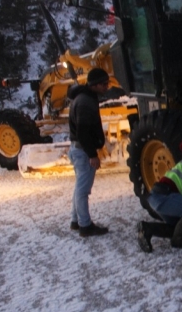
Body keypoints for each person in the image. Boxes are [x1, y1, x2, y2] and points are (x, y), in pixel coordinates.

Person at [67, 68, 110, 237]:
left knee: (79, 188)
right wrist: (92, 154)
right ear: (95, 85)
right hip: (83, 152)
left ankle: (76, 221)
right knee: (83, 190)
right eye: (104, 84)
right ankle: (85, 226)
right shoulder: (85, 102)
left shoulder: (84, 98)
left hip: (78, 149)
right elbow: (83, 132)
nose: (107, 87)